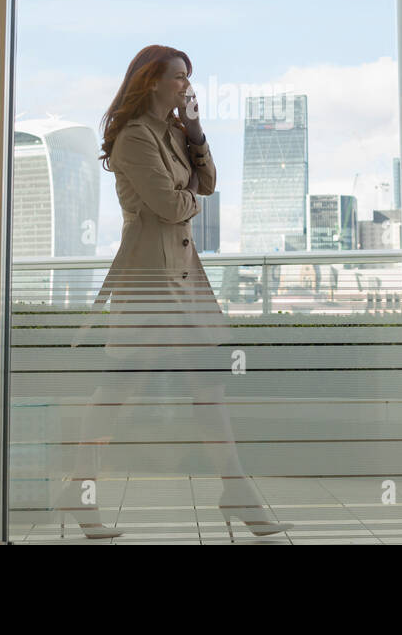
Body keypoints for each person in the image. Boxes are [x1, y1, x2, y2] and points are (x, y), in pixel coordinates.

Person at [60, 45, 291, 541]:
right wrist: (191, 203)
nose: (188, 85)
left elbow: (206, 184)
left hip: (181, 278)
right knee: (118, 390)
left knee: (206, 387)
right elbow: (170, 206)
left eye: (190, 77)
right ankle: (81, 487)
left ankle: (235, 489)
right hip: (148, 281)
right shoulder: (134, 137)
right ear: (151, 82)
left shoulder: (172, 132)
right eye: (179, 77)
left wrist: (197, 134)